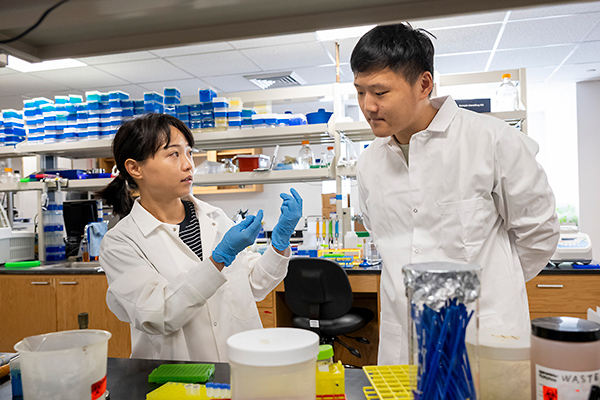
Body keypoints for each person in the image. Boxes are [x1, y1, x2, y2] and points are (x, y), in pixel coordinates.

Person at [351, 23, 560, 365]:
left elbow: (539, 234)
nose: (368, 106)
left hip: (481, 333)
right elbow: (383, 236)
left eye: (380, 92)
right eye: (360, 92)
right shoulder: (369, 163)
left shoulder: (490, 139)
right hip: (403, 341)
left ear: (424, 84)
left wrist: (495, 284)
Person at [98, 113, 302, 362]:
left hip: (238, 365)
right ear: (134, 168)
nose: (188, 165)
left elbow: (254, 285)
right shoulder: (121, 242)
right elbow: (157, 314)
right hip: (178, 377)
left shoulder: (214, 218)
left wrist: (279, 244)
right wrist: (218, 259)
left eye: (189, 153)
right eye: (174, 154)